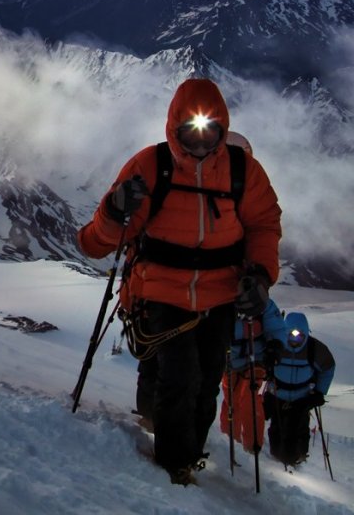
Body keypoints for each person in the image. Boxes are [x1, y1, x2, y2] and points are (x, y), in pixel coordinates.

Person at [76, 78, 283, 485]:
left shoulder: (244, 171)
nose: (201, 144)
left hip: (221, 294)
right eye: (192, 133)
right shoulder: (150, 166)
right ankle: (176, 465)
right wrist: (114, 211)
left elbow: (263, 225)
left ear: (223, 130)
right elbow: (101, 240)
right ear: (175, 129)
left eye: (211, 133)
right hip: (161, 288)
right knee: (181, 374)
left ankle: (185, 453)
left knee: (207, 382)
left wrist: (259, 274)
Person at [264, 311, 336, 467]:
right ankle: (276, 460)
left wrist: (319, 392)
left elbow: (328, 367)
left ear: (306, 334)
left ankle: (295, 459)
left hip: (302, 397)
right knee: (277, 427)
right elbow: (261, 359)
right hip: (277, 394)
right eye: (291, 334)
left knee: (298, 428)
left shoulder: (314, 349)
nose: (294, 340)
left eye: (299, 336)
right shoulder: (276, 345)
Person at [219, 297, 286, 455]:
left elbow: (276, 329)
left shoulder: (263, 303)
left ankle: (251, 446)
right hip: (230, 362)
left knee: (250, 397)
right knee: (231, 400)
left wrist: (275, 347)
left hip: (256, 360)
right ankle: (230, 441)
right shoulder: (259, 301)